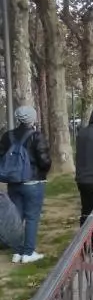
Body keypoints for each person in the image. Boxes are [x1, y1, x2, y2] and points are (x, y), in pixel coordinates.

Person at [0, 106, 52, 264]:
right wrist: (45, 169)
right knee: (32, 217)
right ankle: (28, 253)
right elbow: (44, 161)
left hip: (13, 182)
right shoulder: (36, 136)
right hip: (33, 182)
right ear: (32, 118)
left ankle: (17, 251)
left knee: (17, 217)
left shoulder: (7, 136)